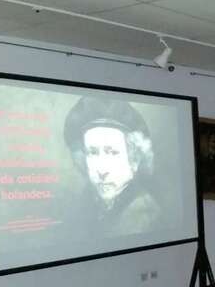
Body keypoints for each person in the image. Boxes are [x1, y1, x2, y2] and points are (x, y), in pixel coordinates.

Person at [63, 96, 160, 236]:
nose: (101, 170)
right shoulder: (88, 202)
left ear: (135, 159)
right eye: (93, 152)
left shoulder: (142, 216)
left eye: (112, 152)